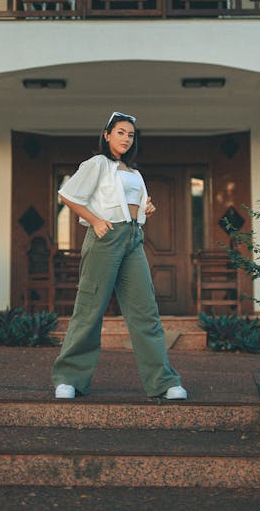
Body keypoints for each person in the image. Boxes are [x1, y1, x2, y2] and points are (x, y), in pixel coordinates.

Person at [52, 111, 187, 400]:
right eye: (121, 132)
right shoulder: (97, 164)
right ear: (107, 135)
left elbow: (134, 205)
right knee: (89, 310)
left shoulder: (134, 173)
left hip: (133, 238)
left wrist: (145, 209)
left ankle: (163, 381)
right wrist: (96, 220)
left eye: (131, 134)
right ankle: (69, 378)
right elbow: (68, 195)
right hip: (105, 237)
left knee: (145, 312)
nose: (126, 138)